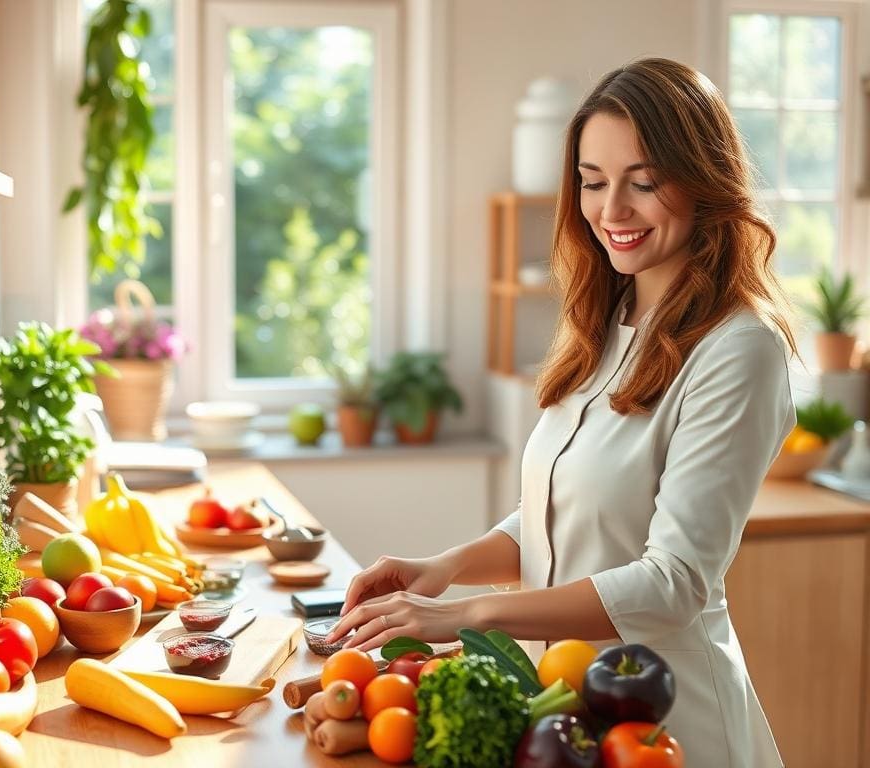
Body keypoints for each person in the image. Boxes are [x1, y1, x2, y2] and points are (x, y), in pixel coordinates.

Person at [326, 57, 796, 768]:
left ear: (703, 182)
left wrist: (463, 615)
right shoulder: (607, 321)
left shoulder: (739, 349)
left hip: (671, 730)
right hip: (568, 716)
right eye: (593, 181)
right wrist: (445, 566)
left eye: (644, 182)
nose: (612, 211)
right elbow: (564, 511)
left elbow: (671, 583)